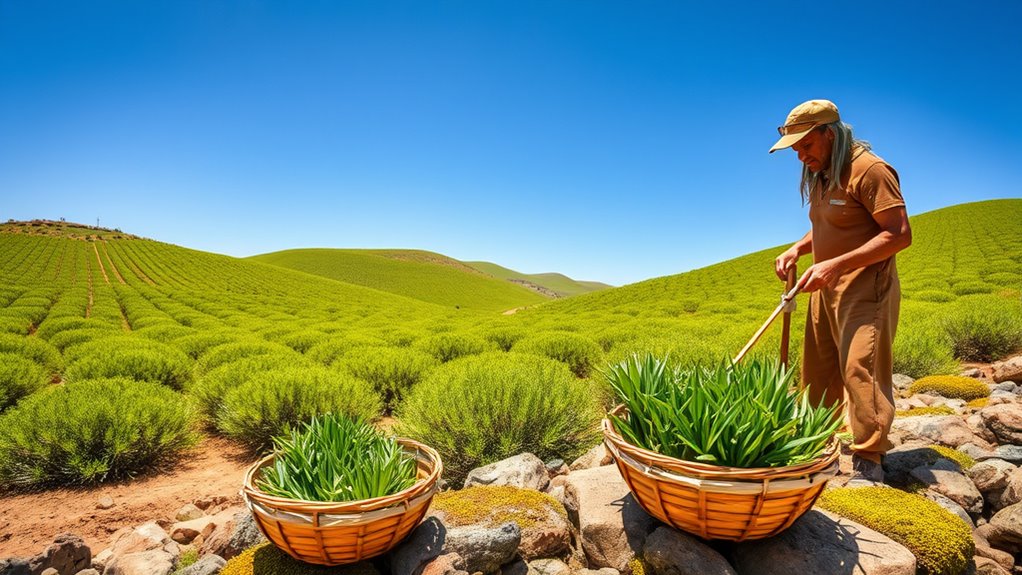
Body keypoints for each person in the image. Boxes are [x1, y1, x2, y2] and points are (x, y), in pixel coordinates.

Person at [769, 99, 912, 486]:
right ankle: (818, 447)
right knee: (816, 372)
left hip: (866, 287)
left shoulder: (870, 170)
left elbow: (898, 234)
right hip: (825, 286)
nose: (800, 156)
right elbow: (830, 223)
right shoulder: (822, 174)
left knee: (859, 368)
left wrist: (835, 265)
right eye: (795, 149)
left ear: (828, 134)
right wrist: (799, 248)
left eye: (805, 145)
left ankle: (869, 457)